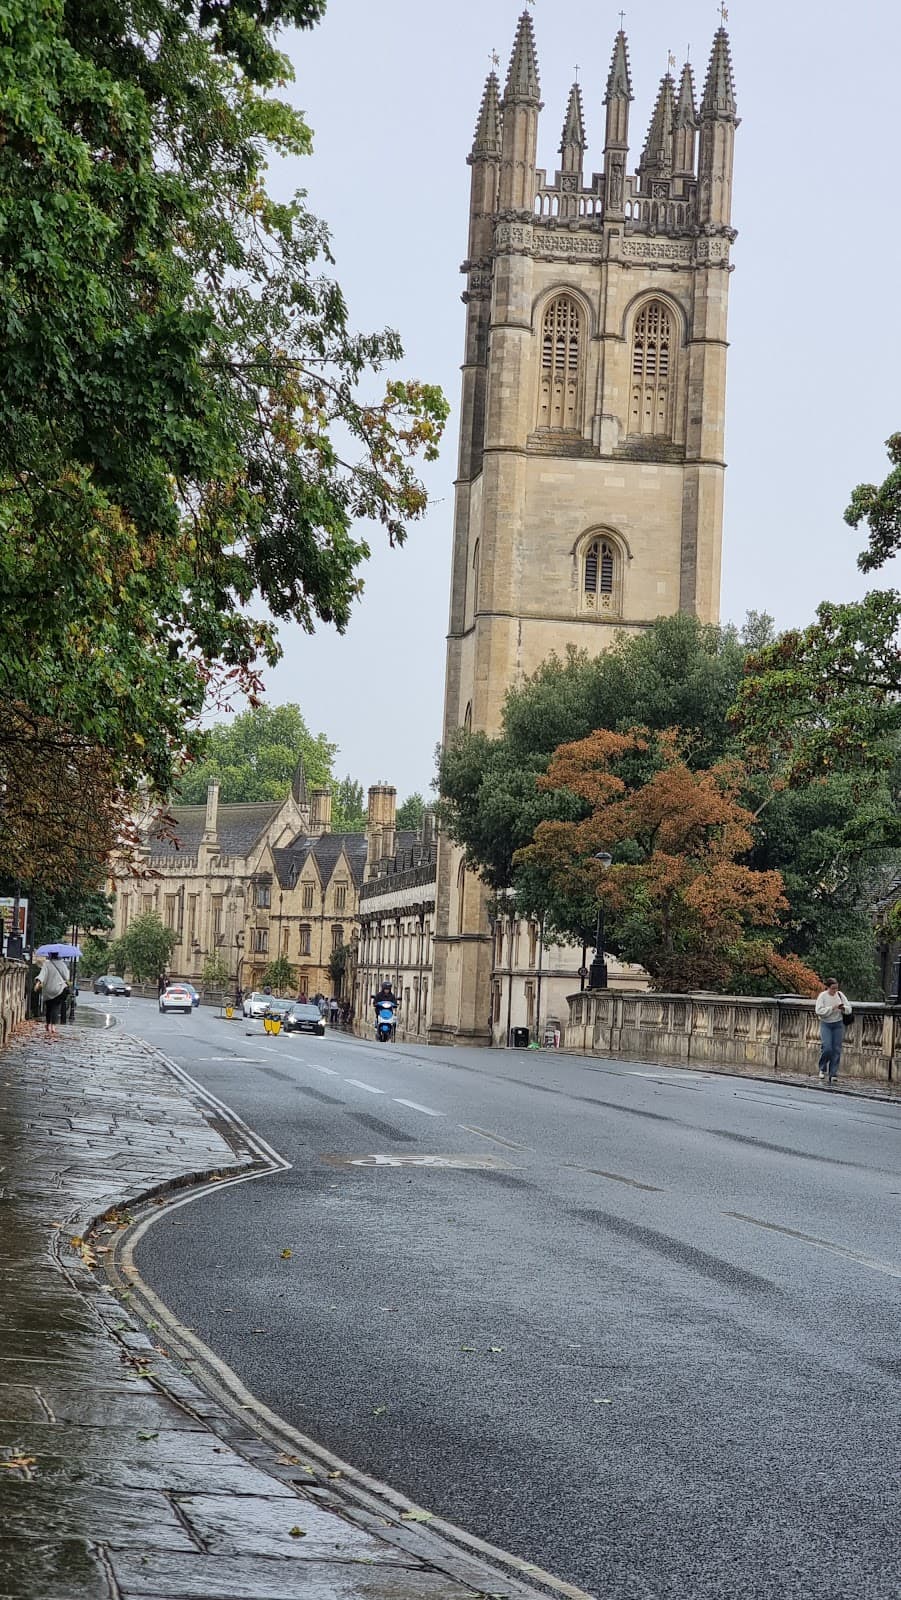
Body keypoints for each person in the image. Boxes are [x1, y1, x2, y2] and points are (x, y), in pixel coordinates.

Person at [815, 978, 852, 1084]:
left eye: (836, 988)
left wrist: (843, 1008)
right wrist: (832, 1008)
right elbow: (819, 1011)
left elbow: (849, 1008)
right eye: (833, 988)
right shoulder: (823, 996)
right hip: (826, 1024)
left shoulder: (840, 995)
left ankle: (833, 1073)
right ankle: (822, 1068)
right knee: (827, 1047)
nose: (835, 990)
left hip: (838, 1024)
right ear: (828, 987)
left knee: (836, 1049)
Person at [35, 951, 71, 1040]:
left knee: (49, 1007)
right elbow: (67, 977)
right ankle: (53, 1026)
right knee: (56, 1007)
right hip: (59, 989)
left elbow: (42, 975)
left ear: (50, 955)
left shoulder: (46, 964)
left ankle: (47, 1024)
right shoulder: (62, 964)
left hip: (48, 989)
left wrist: (38, 983)